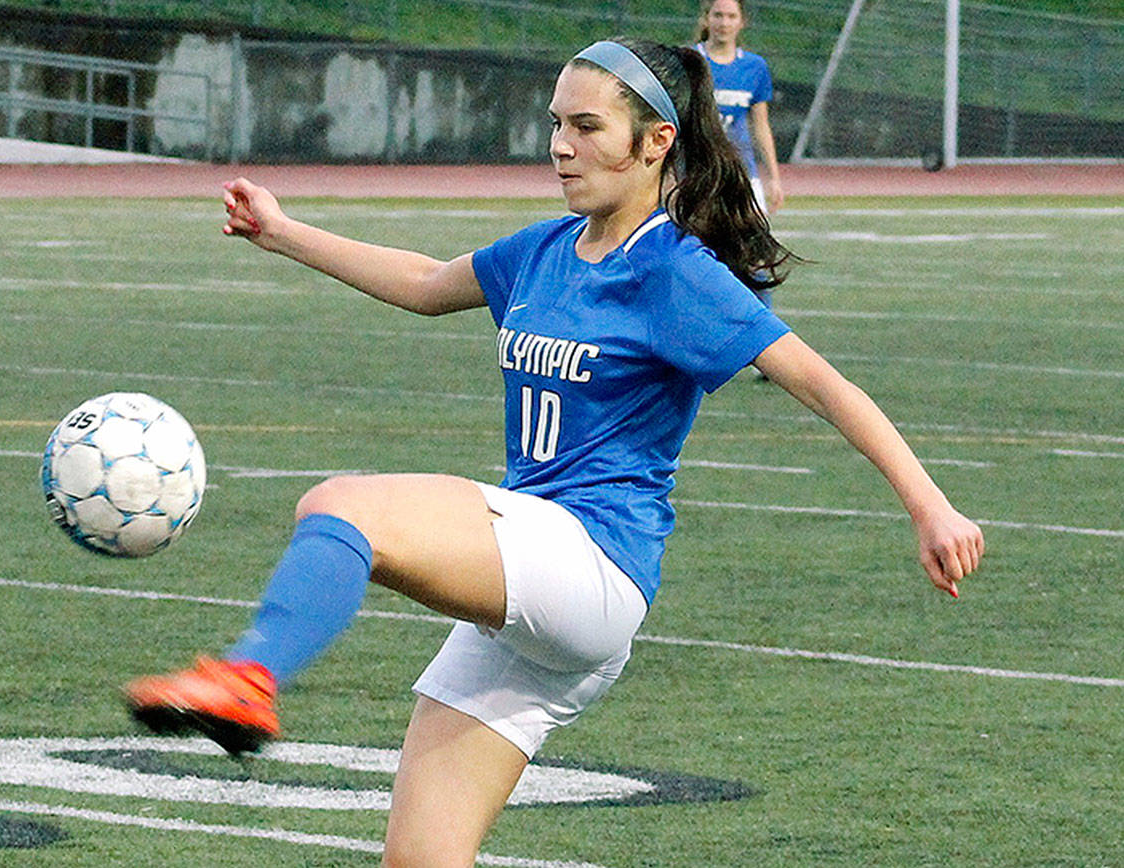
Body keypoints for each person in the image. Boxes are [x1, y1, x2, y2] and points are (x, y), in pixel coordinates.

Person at [124, 37, 984, 866]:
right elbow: (427, 285)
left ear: (656, 145)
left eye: (586, 127)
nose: (560, 147)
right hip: (542, 595)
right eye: (555, 124)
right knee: (421, 859)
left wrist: (928, 504)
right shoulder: (546, 248)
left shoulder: (674, 270)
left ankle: (250, 676)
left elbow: (824, 384)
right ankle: (250, 678)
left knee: (342, 504)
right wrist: (283, 232)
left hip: (593, 564)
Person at [695, 0, 784, 216]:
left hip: (742, 172)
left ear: (742, 22)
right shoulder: (691, 60)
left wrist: (773, 178)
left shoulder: (755, 67)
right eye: (718, 15)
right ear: (707, 19)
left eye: (731, 16)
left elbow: (760, 125)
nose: (724, 23)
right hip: (696, 174)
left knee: (750, 244)